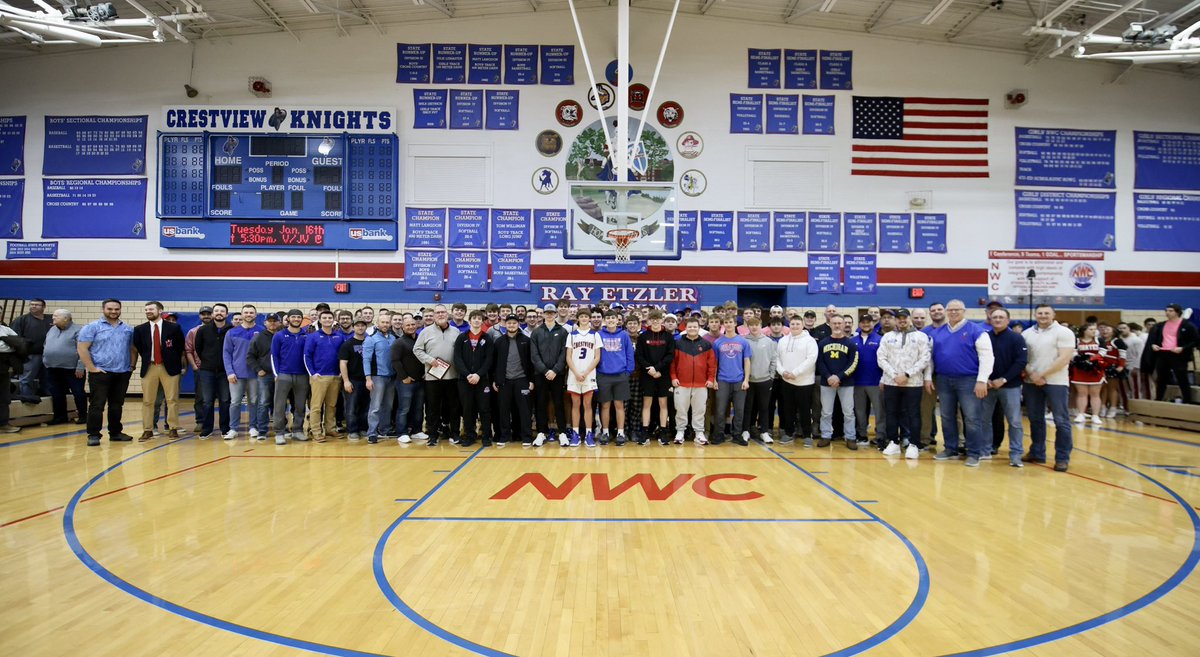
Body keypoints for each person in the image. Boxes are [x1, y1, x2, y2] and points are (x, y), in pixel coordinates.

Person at [928, 300, 994, 467]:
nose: (953, 312)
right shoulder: (937, 333)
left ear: (964, 311)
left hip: (969, 380)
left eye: (957, 309)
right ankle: (951, 448)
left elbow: (987, 357)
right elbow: (930, 358)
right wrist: (928, 377)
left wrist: (982, 380)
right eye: (950, 310)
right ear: (946, 312)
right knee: (946, 416)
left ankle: (974, 453)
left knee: (972, 418)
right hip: (944, 379)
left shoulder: (976, 331)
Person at [1023, 304, 1076, 472]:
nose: (1043, 315)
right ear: (1035, 315)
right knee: (1035, 418)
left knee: (1061, 421)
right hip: (1032, 381)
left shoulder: (1064, 332)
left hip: (1056, 382)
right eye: (1040, 313)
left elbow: (1065, 358)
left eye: (1047, 313)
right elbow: (1023, 358)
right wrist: (1032, 374)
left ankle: (1062, 458)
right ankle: (1037, 452)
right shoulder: (1027, 333)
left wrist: (1042, 374)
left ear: (1053, 314)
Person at [77, 299, 135, 446]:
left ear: (120, 310)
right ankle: (93, 434)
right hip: (100, 373)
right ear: (103, 309)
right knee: (97, 405)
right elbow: (82, 348)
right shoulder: (92, 327)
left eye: (116, 309)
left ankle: (115, 433)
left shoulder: (127, 329)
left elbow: (132, 348)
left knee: (117, 405)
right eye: (110, 309)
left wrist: (131, 366)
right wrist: (91, 368)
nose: (113, 312)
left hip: (122, 373)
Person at [878, 309, 931, 460]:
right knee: (891, 413)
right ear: (895, 320)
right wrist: (894, 375)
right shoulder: (888, 337)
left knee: (913, 414)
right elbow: (881, 358)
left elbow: (925, 358)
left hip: (913, 382)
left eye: (904, 318)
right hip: (891, 381)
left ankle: (913, 444)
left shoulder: (921, 337)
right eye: (899, 318)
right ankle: (893, 442)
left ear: (909, 319)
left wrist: (907, 374)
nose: (902, 320)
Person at [131, 301, 186, 442]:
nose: (148, 311)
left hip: (169, 367)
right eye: (146, 310)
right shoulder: (140, 329)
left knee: (172, 399)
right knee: (148, 400)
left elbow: (179, 346)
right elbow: (138, 347)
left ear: (160, 310)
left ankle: (173, 428)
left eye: (151, 309)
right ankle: (148, 430)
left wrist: (173, 361)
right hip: (150, 367)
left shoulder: (174, 328)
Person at [980, 308, 1027, 467]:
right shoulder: (985, 337)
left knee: (1014, 421)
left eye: (1001, 317)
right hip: (988, 386)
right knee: (984, 420)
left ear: (1008, 320)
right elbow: (978, 359)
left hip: (1010, 386)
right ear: (990, 320)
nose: (998, 320)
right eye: (995, 317)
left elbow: (1021, 362)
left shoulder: (1016, 338)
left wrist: (1004, 379)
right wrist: (985, 379)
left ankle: (1016, 454)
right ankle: (985, 451)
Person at [413, 304, 461, 446]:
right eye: (438, 312)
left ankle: (455, 433)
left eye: (443, 312)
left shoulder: (456, 331)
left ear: (447, 315)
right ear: (434, 316)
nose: (440, 315)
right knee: (432, 408)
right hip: (432, 378)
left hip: (452, 376)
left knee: (453, 407)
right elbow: (417, 350)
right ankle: (432, 435)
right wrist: (429, 360)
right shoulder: (425, 332)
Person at [453, 310, 495, 447]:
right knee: (468, 409)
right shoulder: (461, 337)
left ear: (482, 321)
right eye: (474, 318)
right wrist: (467, 374)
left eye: (479, 318)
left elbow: (489, 359)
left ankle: (486, 436)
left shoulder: (487, 338)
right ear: (470, 320)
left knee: (484, 409)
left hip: (482, 380)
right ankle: (470, 436)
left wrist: (478, 374)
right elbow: (457, 358)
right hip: (465, 380)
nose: (477, 320)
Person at [672, 316, 716, 445]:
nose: (692, 329)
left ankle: (699, 433)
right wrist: (673, 377)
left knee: (699, 410)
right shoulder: (678, 343)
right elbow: (672, 363)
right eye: (690, 327)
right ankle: (680, 432)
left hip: (701, 384)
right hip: (681, 383)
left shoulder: (706, 344)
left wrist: (711, 379)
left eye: (694, 327)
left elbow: (712, 364)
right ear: (685, 328)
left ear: (699, 328)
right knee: (681, 409)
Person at [775, 315, 818, 447]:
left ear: (802, 325)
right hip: (787, 381)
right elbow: (777, 358)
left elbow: (811, 359)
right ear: (789, 325)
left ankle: (807, 435)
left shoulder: (810, 341)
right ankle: (788, 433)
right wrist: (783, 372)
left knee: (805, 410)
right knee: (788, 409)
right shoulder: (783, 340)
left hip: (804, 382)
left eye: (797, 324)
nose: (795, 326)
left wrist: (795, 373)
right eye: (792, 324)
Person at [816, 315, 858, 450]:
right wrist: (829, 377)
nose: (837, 325)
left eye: (840, 323)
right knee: (826, 412)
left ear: (844, 324)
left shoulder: (850, 344)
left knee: (848, 412)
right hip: (827, 382)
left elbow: (853, 363)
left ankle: (850, 437)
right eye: (834, 323)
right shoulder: (822, 343)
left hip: (846, 382)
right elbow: (819, 363)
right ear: (830, 324)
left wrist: (839, 377)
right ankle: (826, 435)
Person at [493, 314, 535, 447]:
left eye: (514, 323)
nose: (511, 325)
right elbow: (494, 363)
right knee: (504, 410)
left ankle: (526, 436)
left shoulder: (526, 340)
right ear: (505, 325)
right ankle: (504, 436)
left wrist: (531, 380)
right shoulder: (499, 341)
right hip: (504, 381)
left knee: (524, 411)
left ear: (518, 324)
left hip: (522, 380)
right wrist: (495, 380)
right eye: (509, 323)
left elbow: (531, 362)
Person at [531, 304, 569, 447]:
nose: (549, 315)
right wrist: (545, 370)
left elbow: (564, 353)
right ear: (543, 315)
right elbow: (534, 355)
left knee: (559, 403)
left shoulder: (563, 332)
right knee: (541, 403)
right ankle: (541, 432)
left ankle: (562, 433)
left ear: (555, 314)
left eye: (552, 313)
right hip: (541, 374)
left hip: (557, 374)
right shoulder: (536, 332)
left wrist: (555, 370)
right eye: (547, 313)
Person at [222, 304, 262, 440]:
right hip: (236, 374)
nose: (248, 314)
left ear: (255, 315)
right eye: (246, 312)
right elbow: (226, 353)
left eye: (251, 312)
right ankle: (233, 429)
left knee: (254, 401)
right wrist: (229, 372)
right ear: (242, 314)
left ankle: (253, 427)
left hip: (255, 374)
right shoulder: (232, 332)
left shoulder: (261, 331)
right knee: (235, 402)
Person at [303, 310, 344, 443]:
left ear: (333, 320)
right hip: (319, 377)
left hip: (335, 376)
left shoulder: (339, 337)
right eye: (324, 318)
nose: (327, 320)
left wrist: (340, 372)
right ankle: (316, 431)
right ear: (320, 320)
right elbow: (307, 356)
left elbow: (342, 356)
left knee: (332, 405)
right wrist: (313, 373)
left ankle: (330, 428)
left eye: (329, 318)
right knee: (316, 406)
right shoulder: (313, 336)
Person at [635, 309, 675, 445]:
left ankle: (663, 431)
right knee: (647, 403)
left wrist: (658, 368)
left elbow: (670, 355)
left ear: (661, 320)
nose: (655, 321)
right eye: (653, 319)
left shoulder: (668, 337)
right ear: (649, 321)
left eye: (658, 319)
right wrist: (650, 369)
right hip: (648, 375)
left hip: (663, 374)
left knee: (663, 403)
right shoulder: (643, 337)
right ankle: (645, 432)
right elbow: (639, 356)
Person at [1144, 304, 1197, 404]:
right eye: (1166, 310)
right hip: (1163, 354)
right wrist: (1154, 345)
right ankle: (1158, 399)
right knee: (1161, 379)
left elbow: (1195, 340)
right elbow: (1154, 339)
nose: (1167, 312)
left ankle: (1187, 401)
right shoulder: (1161, 325)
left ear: (1177, 312)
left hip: (1178, 355)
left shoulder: (1187, 325)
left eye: (1170, 311)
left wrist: (1183, 348)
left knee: (1182, 378)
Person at [194, 303, 232, 439]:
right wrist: (208, 360)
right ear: (212, 314)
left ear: (227, 314)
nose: (219, 313)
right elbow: (198, 348)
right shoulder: (203, 330)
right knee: (207, 401)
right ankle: (207, 429)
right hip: (207, 371)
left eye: (222, 311)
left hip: (225, 371)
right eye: (216, 311)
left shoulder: (231, 330)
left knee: (225, 400)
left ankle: (225, 428)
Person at [271, 309, 310, 443]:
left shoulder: (306, 336)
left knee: (300, 405)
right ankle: (279, 432)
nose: (296, 319)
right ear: (288, 319)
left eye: (298, 317)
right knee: (280, 405)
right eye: (293, 317)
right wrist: (276, 373)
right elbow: (274, 356)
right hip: (284, 374)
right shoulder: (279, 335)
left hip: (302, 375)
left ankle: (297, 430)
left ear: (301, 319)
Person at [597, 310, 635, 445]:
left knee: (619, 405)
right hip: (603, 375)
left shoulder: (624, 335)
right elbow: (596, 354)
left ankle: (620, 432)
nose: (611, 320)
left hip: (620, 375)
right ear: (604, 320)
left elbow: (629, 354)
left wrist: (628, 372)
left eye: (613, 318)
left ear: (617, 320)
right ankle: (605, 432)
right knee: (605, 405)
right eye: (608, 318)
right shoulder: (599, 335)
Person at [566, 307, 602, 447]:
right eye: (581, 316)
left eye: (586, 316)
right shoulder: (572, 335)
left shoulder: (595, 335)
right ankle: (575, 433)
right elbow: (568, 357)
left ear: (589, 318)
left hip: (589, 374)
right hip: (574, 374)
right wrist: (576, 372)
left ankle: (588, 433)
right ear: (578, 318)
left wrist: (586, 372)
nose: (584, 319)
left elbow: (597, 357)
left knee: (588, 405)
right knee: (575, 404)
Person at [43, 309, 87, 425]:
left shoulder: (78, 330)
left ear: (66, 319)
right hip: (52, 368)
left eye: (56, 316)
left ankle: (83, 416)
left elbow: (84, 350)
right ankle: (60, 417)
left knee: (78, 393)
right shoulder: (52, 329)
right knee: (56, 393)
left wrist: (80, 366)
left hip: (72, 369)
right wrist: (45, 360)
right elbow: (46, 345)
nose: (53, 318)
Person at [713, 316, 752, 446]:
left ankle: (737, 435)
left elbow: (747, 361)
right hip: (722, 380)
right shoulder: (718, 342)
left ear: (735, 324)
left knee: (739, 410)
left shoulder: (743, 342)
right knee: (720, 410)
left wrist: (746, 380)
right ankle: (719, 434)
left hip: (739, 380)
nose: (728, 324)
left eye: (731, 322)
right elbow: (714, 363)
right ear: (723, 324)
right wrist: (714, 379)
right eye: (726, 322)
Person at [390, 315, 427, 444]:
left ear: (416, 325)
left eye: (413, 324)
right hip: (405, 382)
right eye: (408, 325)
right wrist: (404, 377)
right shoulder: (399, 342)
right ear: (403, 327)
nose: (411, 327)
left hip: (420, 381)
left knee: (418, 407)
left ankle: (417, 431)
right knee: (404, 408)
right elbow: (395, 361)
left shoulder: (420, 340)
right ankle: (402, 432)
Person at [363, 311, 397, 444]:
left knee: (388, 405)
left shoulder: (393, 338)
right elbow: (366, 360)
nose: (385, 324)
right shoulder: (371, 339)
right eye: (383, 322)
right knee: (375, 406)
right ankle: (372, 432)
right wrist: (368, 378)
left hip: (391, 377)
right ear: (377, 323)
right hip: (377, 377)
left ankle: (385, 429)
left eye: (387, 322)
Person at [851, 314, 884, 448]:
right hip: (857, 382)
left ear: (873, 323)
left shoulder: (880, 339)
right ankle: (862, 434)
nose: (866, 324)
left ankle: (881, 435)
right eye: (863, 322)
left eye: (868, 322)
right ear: (859, 324)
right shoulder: (853, 340)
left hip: (876, 382)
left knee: (879, 411)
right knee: (859, 411)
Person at [743, 317, 778, 445]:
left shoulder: (769, 342)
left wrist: (771, 376)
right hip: (749, 380)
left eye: (756, 324)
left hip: (765, 380)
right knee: (748, 407)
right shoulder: (744, 341)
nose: (754, 327)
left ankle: (764, 432)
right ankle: (745, 430)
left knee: (764, 407)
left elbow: (774, 359)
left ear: (761, 325)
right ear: (748, 327)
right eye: (751, 325)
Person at [247, 312, 280, 441]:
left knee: (280, 403)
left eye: (275, 321)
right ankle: (262, 430)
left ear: (279, 322)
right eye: (270, 321)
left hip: (281, 375)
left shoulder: (282, 336)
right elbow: (250, 356)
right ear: (265, 323)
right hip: (265, 375)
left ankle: (281, 429)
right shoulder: (258, 337)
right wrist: (258, 369)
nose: (272, 323)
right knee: (263, 402)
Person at [11, 298, 52, 397]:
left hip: (48, 355)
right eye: (32, 304)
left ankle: (48, 397)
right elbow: (14, 338)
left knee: (48, 378)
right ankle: (27, 398)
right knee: (26, 379)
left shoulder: (50, 319)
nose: (33, 306)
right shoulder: (22, 320)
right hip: (31, 355)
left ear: (44, 307)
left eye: (37, 305)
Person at [338, 318, 369, 440]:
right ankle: (352, 430)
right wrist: (346, 381)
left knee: (366, 406)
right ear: (353, 327)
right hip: (353, 380)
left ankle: (363, 428)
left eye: (362, 325)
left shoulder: (369, 342)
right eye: (357, 325)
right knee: (351, 407)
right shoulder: (347, 344)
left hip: (367, 379)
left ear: (366, 327)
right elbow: (343, 363)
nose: (360, 328)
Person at [0, 319, 21, 433]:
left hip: (3, 366)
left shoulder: (5, 329)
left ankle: (3, 424)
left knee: (4, 396)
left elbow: (20, 343)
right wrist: (8, 342)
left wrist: (8, 343)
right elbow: (4, 347)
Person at [1120, 322, 1148, 402]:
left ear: (1129, 329)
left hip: (1132, 367)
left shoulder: (1137, 340)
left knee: (1135, 388)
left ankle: (1137, 405)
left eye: (1124, 328)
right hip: (1122, 366)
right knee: (1124, 389)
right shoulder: (1119, 340)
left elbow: (1140, 354)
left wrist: (1136, 367)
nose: (1122, 330)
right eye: (1120, 328)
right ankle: (1125, 405)